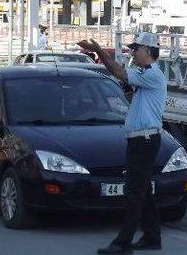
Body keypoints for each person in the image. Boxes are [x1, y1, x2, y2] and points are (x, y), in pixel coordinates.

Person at [78, 32, 166, 254]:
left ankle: (122, 243)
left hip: (145, 140)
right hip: (140, 139)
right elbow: (121, 75)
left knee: (133, 191)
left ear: (148, 51)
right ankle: (152, 236)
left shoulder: (153, 74)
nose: (132, 52)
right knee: (141, 189)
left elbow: (118, 71)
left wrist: (99, 52)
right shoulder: (145, 73)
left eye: (136, 49)